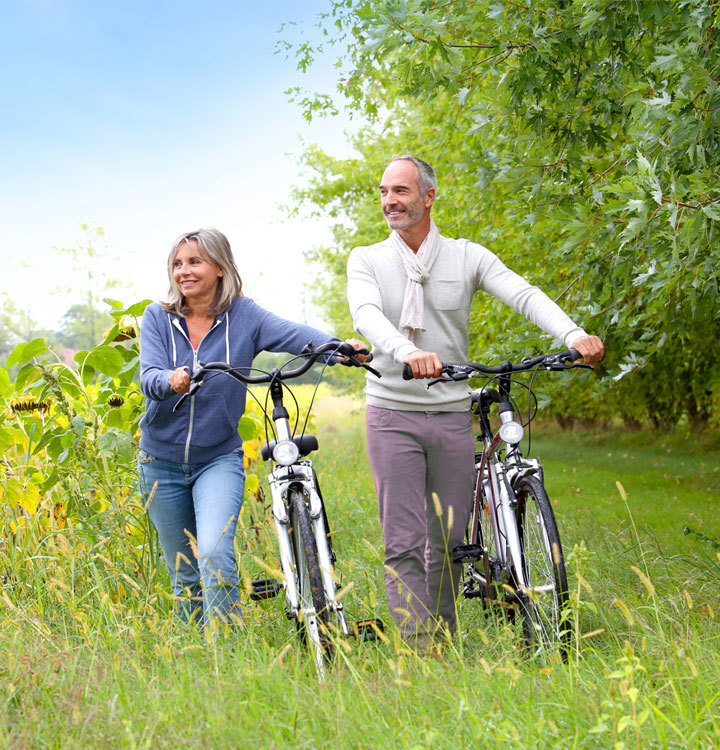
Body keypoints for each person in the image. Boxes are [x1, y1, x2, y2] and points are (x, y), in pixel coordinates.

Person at [347, 156, 604, 648]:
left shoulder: (466, 256)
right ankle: (421, 649)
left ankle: (440, 637)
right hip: (392, 412)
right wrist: (407, 351)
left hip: (448, 414)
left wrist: (573, 334)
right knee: (403, 541)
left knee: (446, 541)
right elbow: (365, 314)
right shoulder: (367, 259)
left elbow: (521, 293)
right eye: (383, 192)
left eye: (399, 191)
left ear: (428, 196)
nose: (389, 202)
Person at [138, 227, 365, 628]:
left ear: (220, 267)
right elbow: (148, 376)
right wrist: (170, 380)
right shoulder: (159, 317)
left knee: (211, 551)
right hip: (160, 461)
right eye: (177, 263)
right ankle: (195, 656)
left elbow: (294, 335)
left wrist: (338, 348)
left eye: (194, 261)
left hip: (217, 458)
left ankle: (226, 652)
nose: (183, 272)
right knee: (184, 572)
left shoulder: (244, 315)